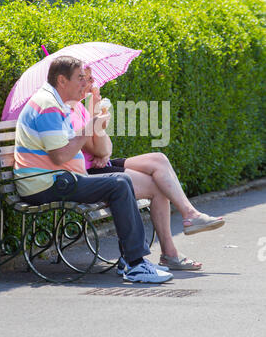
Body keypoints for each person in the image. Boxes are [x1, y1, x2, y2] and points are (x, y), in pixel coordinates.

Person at [13, 56, 174, 284]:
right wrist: (88, 129)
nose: (84, 84)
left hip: (58, 179)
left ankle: (131, 261)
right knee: (118, 183)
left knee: (121, 181)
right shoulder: (48, 105)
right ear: (61, 80)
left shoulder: (56, 103)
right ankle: (135, 264)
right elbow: (60, 155)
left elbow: (73, 150)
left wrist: (91, 124)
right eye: (80, 78)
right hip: (45, 184)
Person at [70, 67, 225, 272]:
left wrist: (103, 148)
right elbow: (96, 147)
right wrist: (95, 116)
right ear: (71, 82)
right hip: (89, 173)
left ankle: (190, 215)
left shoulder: (81, 108)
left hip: (102, 164)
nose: (92, 83)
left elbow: (106, 149)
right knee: (158, 185)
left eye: (91, 78)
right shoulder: (72, 111)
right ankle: (171, 251)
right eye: (86, 79)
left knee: (159, 159)